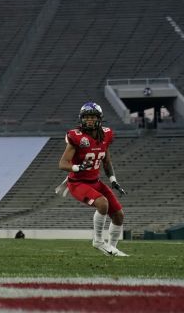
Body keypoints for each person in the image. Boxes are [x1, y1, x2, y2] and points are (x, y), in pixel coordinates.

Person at [56, 102, 127, 256]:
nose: (89, 120)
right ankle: (98, 241)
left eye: (92, 117)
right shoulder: (77, 137)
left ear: (99, 119)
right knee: (102, 203)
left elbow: (107, 162)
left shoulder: (106, 135)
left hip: (96, 181)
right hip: (77, 183)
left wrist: (113, 180)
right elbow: (62, 163)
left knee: (119, 215)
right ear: (81, 119)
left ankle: (112, 249)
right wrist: (77, 168)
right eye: (86, 117)